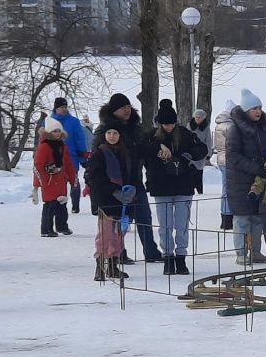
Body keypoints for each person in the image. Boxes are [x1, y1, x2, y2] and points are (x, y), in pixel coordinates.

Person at [93, 93, 162, 263]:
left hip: (135, 179)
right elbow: (98, 158)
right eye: (123, 107)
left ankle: (150, 251)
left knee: (144, 215)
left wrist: (158, 147)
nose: (127, 110)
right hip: (114, 184)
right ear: (114, 110)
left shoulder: (135, 127)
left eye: (129, 107)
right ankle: (117, 253)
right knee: (118, 220)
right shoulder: (105, 130)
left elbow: (141, 149)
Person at [141, 100, 208, 275]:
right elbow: (140, 150)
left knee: (182, 225)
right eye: (165, 124)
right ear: (160, 123)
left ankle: (181, 258)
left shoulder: (186, 134)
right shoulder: (151, 136)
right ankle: (168, 258)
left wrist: (188, 155)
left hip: (183, 186)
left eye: (171, 123)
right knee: (165, 226)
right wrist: (158, 146)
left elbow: (202, 149)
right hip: (161, 186)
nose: (169, 127)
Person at [226, 89, 266, 265]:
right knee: (242, 219)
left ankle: (255, 251)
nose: (258, 111)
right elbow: (233, 156)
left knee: (257, 219)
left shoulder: (263, 128)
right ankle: (241, 253)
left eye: (260, 107)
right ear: (246, 110)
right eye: (254, 108)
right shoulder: (235, 130)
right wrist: (255, 168)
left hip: (260, 180)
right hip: (240, 182)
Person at [86, 123, 137, 282]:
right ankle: (100, 265)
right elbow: (94, 177)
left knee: (118, 235)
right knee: (105, 234)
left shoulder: (126, 154)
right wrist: (114, 190)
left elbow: (131, 175)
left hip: (123, 201)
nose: (112, 136)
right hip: (106, 199)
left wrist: (132, 190)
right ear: (104, 135)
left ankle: (114, 265)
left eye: (115, 132)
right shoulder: (99, 154)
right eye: (109, 132)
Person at [31, 117, 77, 237]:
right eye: (54, 131)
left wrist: (73, 179)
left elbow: (68, 164)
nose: (57, 133)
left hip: (61, 181)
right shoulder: (44, 147)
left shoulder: (62, 146)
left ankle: (62, 226)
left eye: (58, 131)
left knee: (62, 205)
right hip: (49, 181)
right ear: (49, 132)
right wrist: (41, 181)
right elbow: (38, 165)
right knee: (50, 205)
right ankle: (46, 229)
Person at [44, 97, 90, 214]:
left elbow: (79, 138)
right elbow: (43, 139)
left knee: (73, 179)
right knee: (58, 181)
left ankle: (75, 204)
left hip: (71, 155)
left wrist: (82, 156)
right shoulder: (49, 121)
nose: (64, 109)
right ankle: (59, 204)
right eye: (61, 107)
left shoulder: (73, 121)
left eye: (65, 107)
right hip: (54, 157)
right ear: (56, 108)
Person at [213, 101, 236, 230]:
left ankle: (225, 217)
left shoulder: (219, 125)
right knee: (228, 189)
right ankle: (228, 217)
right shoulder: (230, 126)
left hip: (222, 160)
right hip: (229, 160)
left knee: (225, 188)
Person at [188, 108, 214, 194]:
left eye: (200, 117)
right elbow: (185, 139)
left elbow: (208, 141)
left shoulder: (206, 127)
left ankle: (200, 191)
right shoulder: (189, 125)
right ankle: (190, 189)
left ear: (203, 118)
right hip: (191, 153)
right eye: (196, 116)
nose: (198, 118)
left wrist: (208, 153)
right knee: (190, 173)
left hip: (201, 153)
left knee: (199, 173)